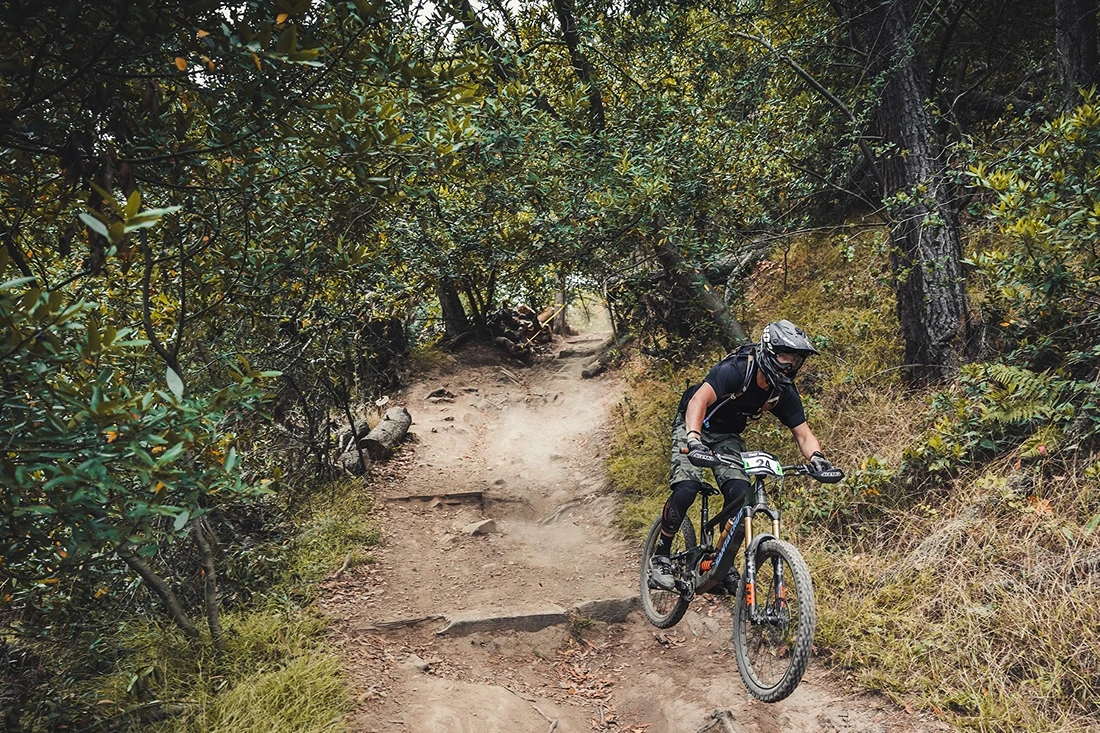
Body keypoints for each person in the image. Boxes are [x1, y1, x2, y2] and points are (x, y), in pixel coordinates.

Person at [648, 319, 832, 591]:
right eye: (784, 357)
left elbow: (803, 433)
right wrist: (694, 439)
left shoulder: (782, 393)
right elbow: (699, 400)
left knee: (740, 494)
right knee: (687, 487)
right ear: (769, 352)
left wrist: (817, 458)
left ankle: (720, 564)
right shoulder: (736, 370)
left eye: (795, 360)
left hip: (728, 436)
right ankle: (660, 555)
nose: (789, 365)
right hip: (693, 424)